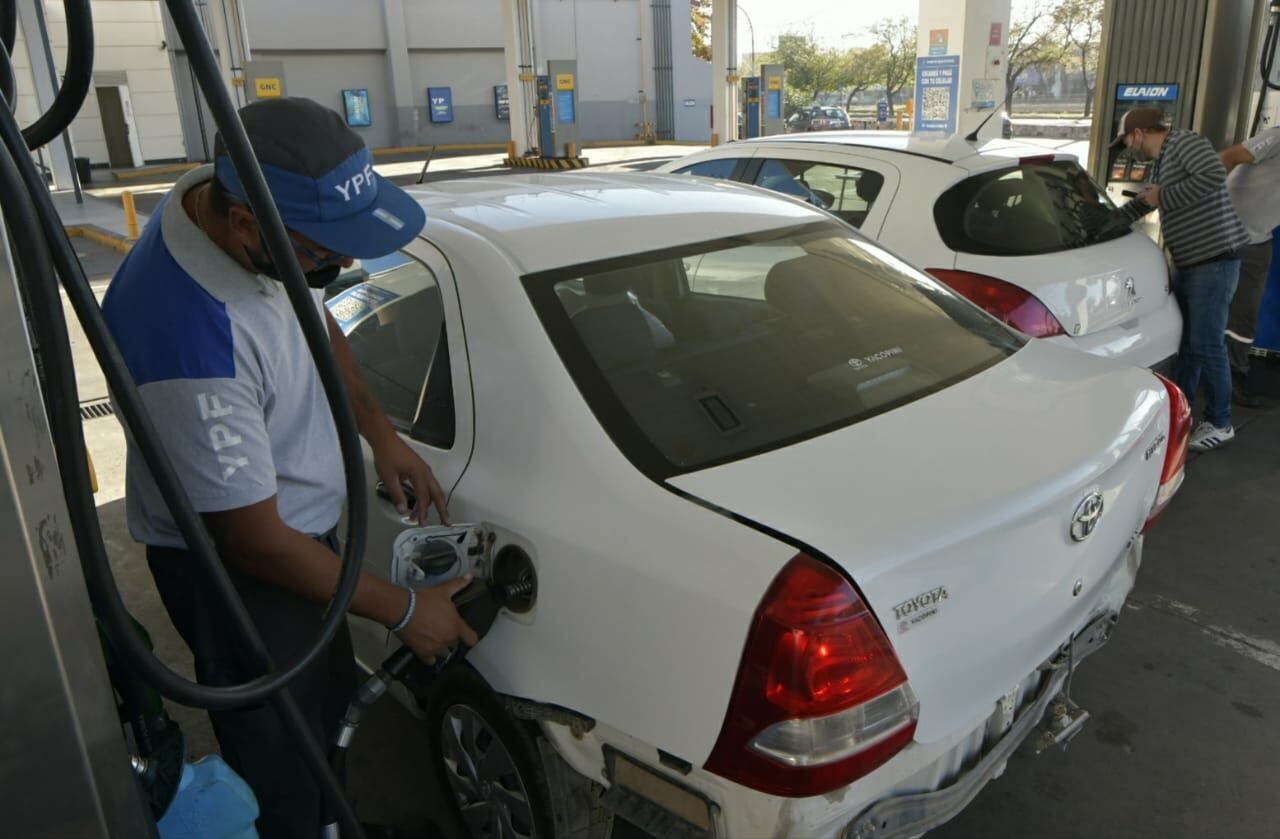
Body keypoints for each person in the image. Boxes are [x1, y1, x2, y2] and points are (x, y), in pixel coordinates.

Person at [101, 97, 477, 837]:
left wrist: (379, 429)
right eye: (325, 252)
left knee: (328, 721)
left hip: (297, 547)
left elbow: (312, 316)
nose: (344, 267)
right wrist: (404, 609)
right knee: (284, 761)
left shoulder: (228, 216)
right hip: (238, 581)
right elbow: (253, 541)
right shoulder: (187, 336)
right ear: (246, 225)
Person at [1108, 107, 1250, 452]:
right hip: (1193, 264)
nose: (1129, 148)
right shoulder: (1167, 158)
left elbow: (1214, 174)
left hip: (1213, 261)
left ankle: (1220, 421)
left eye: (1127, 140)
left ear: (1139, 132)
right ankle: (1180, 411)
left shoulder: (1184, 142)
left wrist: (1162, 196)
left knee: (1206, 343)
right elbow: (1152, 198)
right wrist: (1108, 223)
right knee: (1189, 344)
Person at [1220, 125, 1280, 407]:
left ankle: (1234, 377)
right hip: (1225, 234)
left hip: (1259, 239)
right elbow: (1229, 156)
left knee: (1244, 315)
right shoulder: (1277, 136)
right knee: (1210, 309)